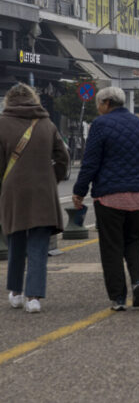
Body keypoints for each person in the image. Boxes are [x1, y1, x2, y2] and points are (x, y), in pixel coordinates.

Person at [72, 87, 139, 310]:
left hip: (111, 197)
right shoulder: (138, 123)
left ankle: (118, 298)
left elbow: (90, 163)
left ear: (107, 103)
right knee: (134, 241)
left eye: (99, 104)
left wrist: (79, 191)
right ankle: (138, 284)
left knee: (112, 247)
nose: (98, 109)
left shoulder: (100, 125)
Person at [1, 83, 69, 313]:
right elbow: (63, 157)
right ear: (34, 99)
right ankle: (34, 298)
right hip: (43, 190)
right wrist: (54, 178)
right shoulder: (46, 123)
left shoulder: (2, 124)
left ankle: (16, 292)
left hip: (13, 192)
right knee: (39, 244)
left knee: (16, 241)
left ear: (8, 101)